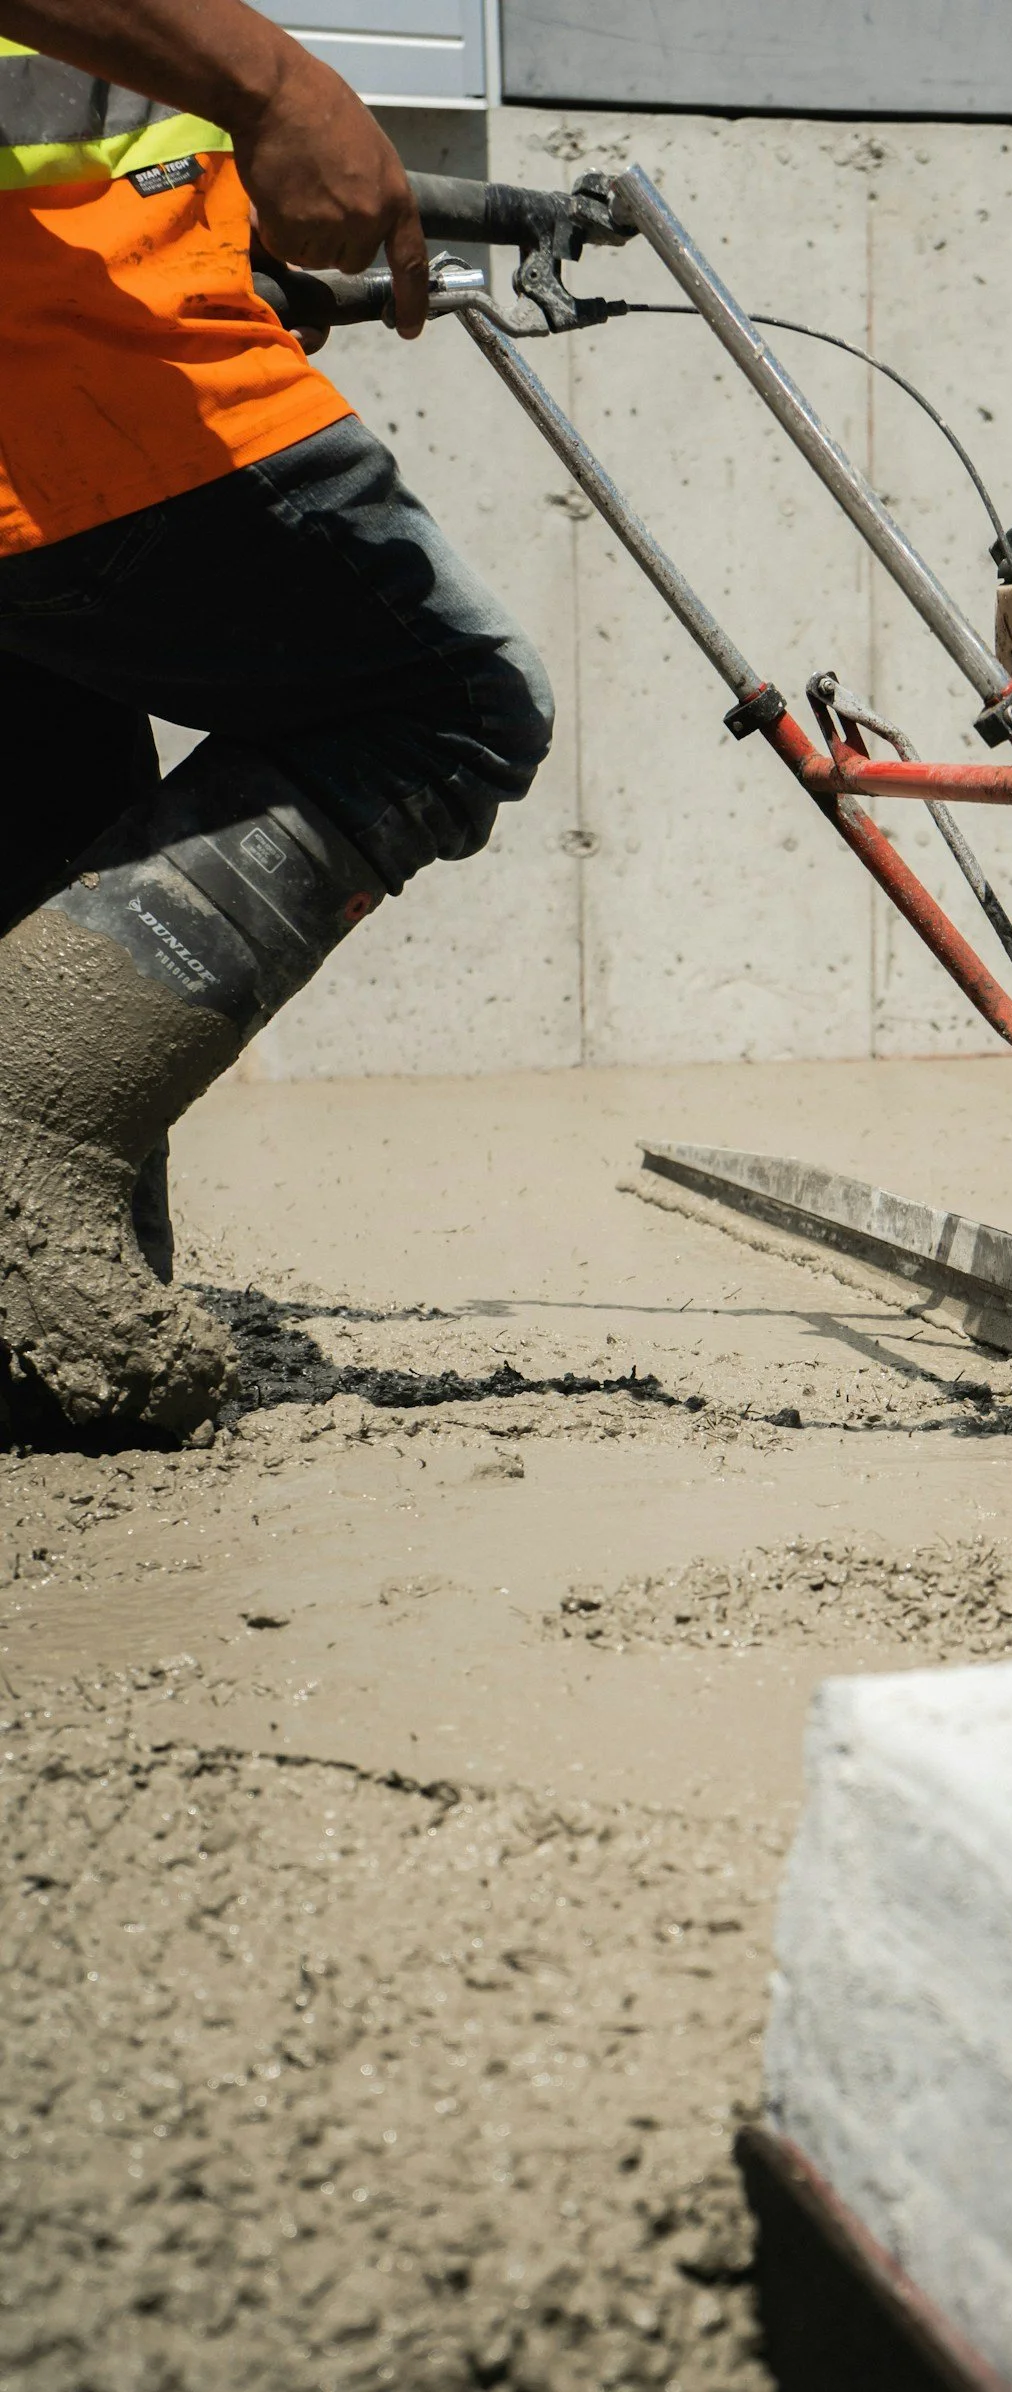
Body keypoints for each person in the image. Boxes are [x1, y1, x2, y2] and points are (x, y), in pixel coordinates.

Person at [0, 0, 554, 1438]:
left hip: (69, 329)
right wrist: (281, 82)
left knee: (55, 809)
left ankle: (46, 1374)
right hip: (63, 368)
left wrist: (208, 221)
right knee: (444, 705)